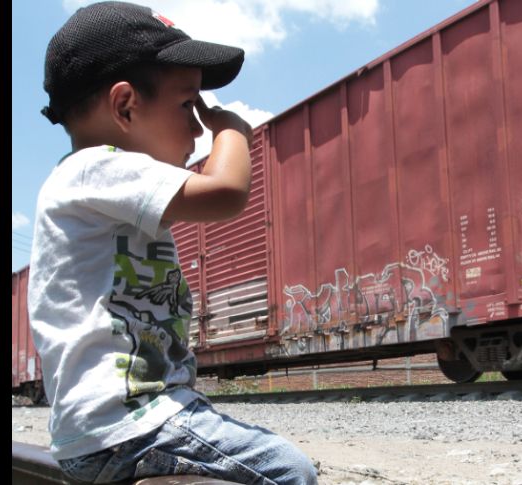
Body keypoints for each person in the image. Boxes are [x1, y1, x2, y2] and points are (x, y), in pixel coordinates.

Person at [27, 2, 318, 484]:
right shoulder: (95, 168)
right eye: (188, 104)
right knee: (288, 471)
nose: (199, 126)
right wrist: (232, 129)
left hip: (116, 429)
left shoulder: (93, 184)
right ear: (125, 106)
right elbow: (226, 192)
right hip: (130, 426)